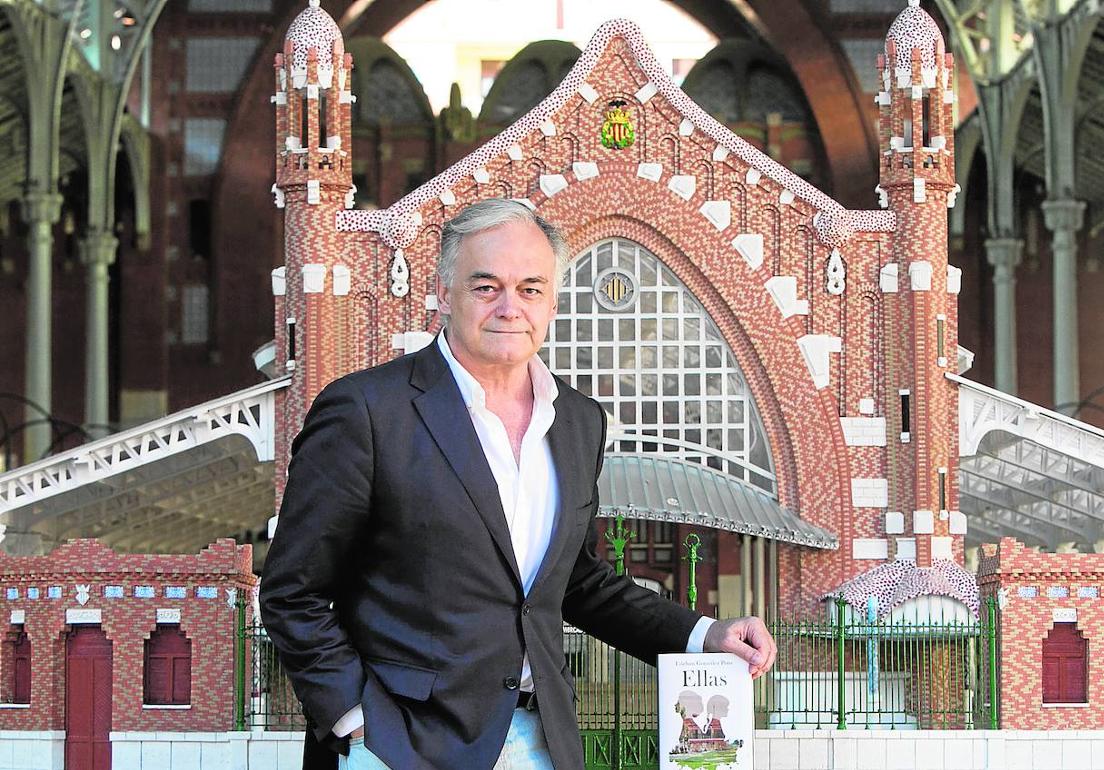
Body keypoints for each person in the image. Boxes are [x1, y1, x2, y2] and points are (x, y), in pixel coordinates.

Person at [259, 199, 777, 770]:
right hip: (397, 745)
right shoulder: (366, 411)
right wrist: (355, 721)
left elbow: (575, 583)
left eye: (531, 288)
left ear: (553, 300)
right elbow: (293, 592)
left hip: (539, 741)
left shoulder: (577, 421)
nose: (510, 307)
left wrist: (705, 634)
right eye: (486, 287)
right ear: (443, 291)